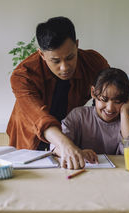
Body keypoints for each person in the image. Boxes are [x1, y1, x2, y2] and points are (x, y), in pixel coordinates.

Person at [7, 16, 110, 169]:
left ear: (77, 45)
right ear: (42, 55)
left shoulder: (93, 63)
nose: (65, 67)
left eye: (70, 57)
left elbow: (113, 94)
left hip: (66, 136)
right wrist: (64, 144)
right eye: (55, 61)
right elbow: (40, 118)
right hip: (30, 141)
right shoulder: (23, 75)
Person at [56, 68, 129, 161]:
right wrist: (77, 152)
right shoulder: (78, 116)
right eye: (104, 99)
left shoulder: (127, 122)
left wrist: (125, 111)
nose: (110, 108)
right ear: (93, 92)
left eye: (117, 101)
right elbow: (56, 147)